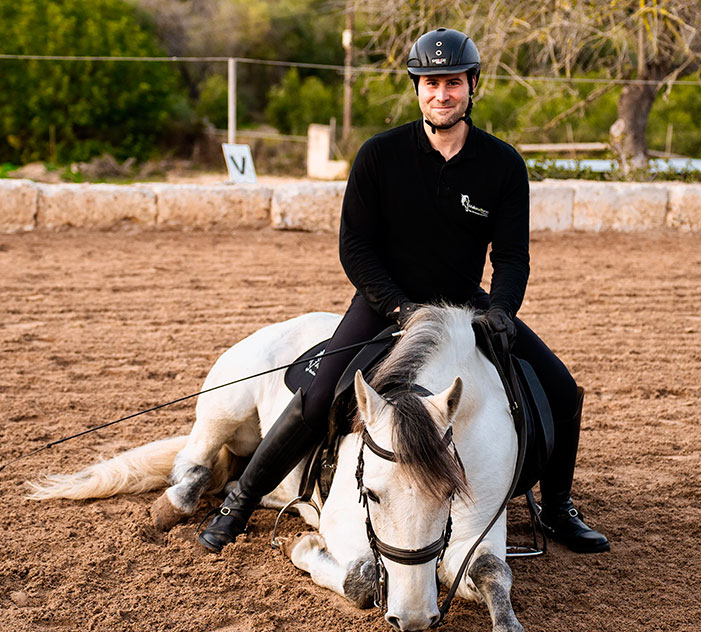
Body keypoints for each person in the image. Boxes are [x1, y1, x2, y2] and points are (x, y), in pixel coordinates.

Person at [198, 27, 609, 554]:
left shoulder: (503, 165)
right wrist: (397, 305)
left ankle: (558, 507)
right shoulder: (378, 156)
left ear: (473, 85)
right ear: (417, 88)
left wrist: (503, 310)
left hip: (464, 305)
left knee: (562, 390)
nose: (442, 94)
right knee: (319, 397)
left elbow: (511, 257)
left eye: (453, 82)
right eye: (431, 83)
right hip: (385, 302)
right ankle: (240, 502)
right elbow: (355, 248)